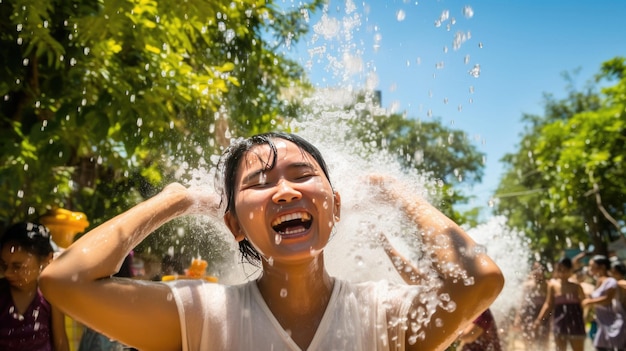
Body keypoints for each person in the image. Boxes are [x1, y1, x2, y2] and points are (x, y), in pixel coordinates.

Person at [40, 132, 505, 351]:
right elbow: (65, 280)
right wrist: (173, 200)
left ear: (335, 207)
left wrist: (396, 193)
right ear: (235, 226)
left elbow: (480, 278)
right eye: (260, 183)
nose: (285, 191)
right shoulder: (203, 317)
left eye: (303, 175)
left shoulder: (383, 314)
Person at [0, 222, 70, 351]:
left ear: (46, 260)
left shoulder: (50, 295)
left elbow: (60, 344)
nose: (8, 273)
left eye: (17, 266)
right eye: (4, 265)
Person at [534, 256, 586, 351]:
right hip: (560, 323)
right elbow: (548, 304)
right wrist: (538, 320)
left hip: (576, 323)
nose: (561, 272)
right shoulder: (553, 285)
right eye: (559, 269)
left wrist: (585, 318)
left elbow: (584, 304)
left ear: (570, 270)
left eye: (564, 270)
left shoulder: (576, 286)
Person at [582, 255, 626, 351]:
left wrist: (589, 301)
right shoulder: (598, 281)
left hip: (614, 323)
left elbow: (608, 299)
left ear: (602, 267)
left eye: (592, 266)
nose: (590, 268)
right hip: (603, 323)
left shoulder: (611, 281)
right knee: (600, 347)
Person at [513, 261, 550, 349]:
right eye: (535, 269)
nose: (537, 272)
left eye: (539, 269)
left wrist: (540, 319)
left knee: (543, 339)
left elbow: (549, 303)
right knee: (528, 338)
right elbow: (522, 302)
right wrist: (518, 317)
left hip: (543, 313)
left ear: (543, 271)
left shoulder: (547, 285)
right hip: (528, 312)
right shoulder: (527, 285)